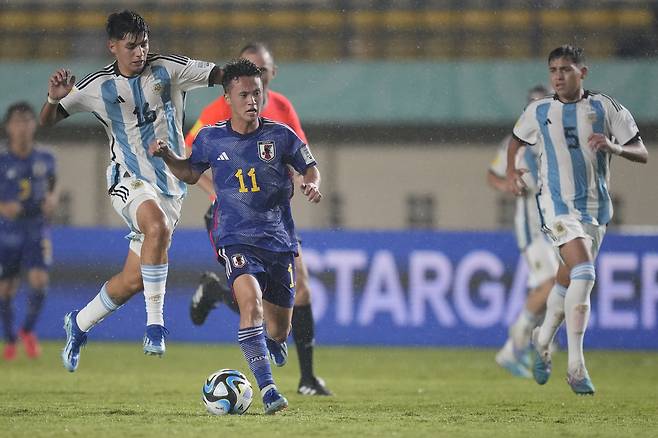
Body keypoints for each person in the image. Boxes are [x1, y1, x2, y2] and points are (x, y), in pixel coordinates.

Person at [39, 10, 224, 372]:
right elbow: (49, 121)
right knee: (155, 225)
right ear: (113, 47)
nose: (140, 52)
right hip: (127, 179)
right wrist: (53, 99)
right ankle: (155, 326)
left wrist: (242, 75)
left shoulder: (169, 69)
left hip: (169, 186)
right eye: (131, 46)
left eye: (144, 44)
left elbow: (218, 75)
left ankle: (78, 324)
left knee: (133, 280)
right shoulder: (96, 87)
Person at [149, 58, 322, 414]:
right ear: (228, 97)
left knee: (278, 328)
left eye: (256, 93)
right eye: (243, 94)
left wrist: (311, 183)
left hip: (279, 241)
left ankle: (272, 341)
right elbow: (190, 173)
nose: (251, 101)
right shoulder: (211, 137)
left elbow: (310, 166)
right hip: (235, 238)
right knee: (251, 304)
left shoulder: (281, 136)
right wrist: (168, 156)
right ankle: (269, 390)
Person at [186, 42, 332, 396]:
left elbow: (301, 159)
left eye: (262, 73)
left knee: (298, 290)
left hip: (275, 219)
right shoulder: (218, 110)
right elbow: (192, 150)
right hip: (233, 217)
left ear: (271, 75)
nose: (256, 83)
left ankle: (306, 376)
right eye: (250, 72)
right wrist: (217, 191)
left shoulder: (282, 109)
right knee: (253, 292)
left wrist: (306, 182)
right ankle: (294, 379)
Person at [506, 45, 648, 394]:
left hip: (595, 211)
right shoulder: (538, 111)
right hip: (556, 206)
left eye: (565, 69)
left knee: (567, 281)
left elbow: (641, 152)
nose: (557, 76)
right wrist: (512, 171)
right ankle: (576, 365)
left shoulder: (605, 108)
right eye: (553, 69)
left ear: (582, 73)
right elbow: (515, 140)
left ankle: (541, 338)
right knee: (584, 272)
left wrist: (615, 148)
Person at [488, 85, 560, 378]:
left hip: (554, 225)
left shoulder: (557, 140)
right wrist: (507, 185)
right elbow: (492, 175)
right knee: (551, 282)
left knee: (558, 287)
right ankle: (518, 342)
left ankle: (527, 344)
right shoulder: (515, 143)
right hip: (531, 225)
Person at [0, 102, 58, 361]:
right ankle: (10, 339)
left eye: (27, 121)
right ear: (8, 127)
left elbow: (53, 184)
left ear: (34, 125)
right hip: (6, 231)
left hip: (36, 227)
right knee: (6, 289)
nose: (23, 127)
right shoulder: (2, 161)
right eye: (17, 121)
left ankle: (27, 331)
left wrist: (52, 199)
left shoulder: (45, 159)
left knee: (39, 281)